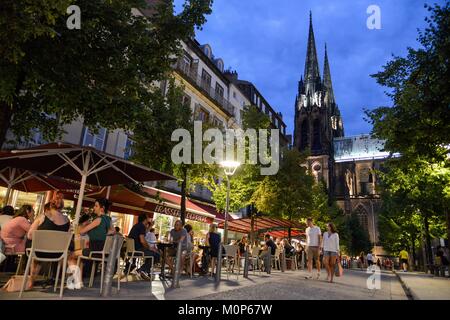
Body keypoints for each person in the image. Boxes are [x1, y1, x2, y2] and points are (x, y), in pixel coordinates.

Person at [25, 201, 70, 288]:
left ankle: (31, 281)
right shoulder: (67, 221)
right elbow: (67, 239)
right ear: (61, 208)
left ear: (49, 207)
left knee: (34, 249)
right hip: (58, 254)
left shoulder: (42, 217)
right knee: (38, 251)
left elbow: (30, 235)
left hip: (39, 252)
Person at [71, 198, 115, 284]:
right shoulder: (108, 219)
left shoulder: (98, 219)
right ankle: (78, 280)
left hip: (94, 250)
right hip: (103, 251)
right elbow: (113, 231)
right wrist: (104, 234)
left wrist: (84, 225)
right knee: (80, 256)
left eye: (96, 206)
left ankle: (77, 281)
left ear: (102, 208)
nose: (94, 207)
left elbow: (81, 231)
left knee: (72, 255)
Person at [127, 213, 159, 279]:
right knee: (157, 254)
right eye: (148, 218)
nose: (149, 219)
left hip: (131, 250)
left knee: (152, 253)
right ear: (145, 219)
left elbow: (145, 232)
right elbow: (142, 241)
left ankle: (143, 270)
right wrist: (150, 248)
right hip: (137, 250)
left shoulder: (138, 226)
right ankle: (142, 270)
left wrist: (150, 226)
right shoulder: (141, 226)